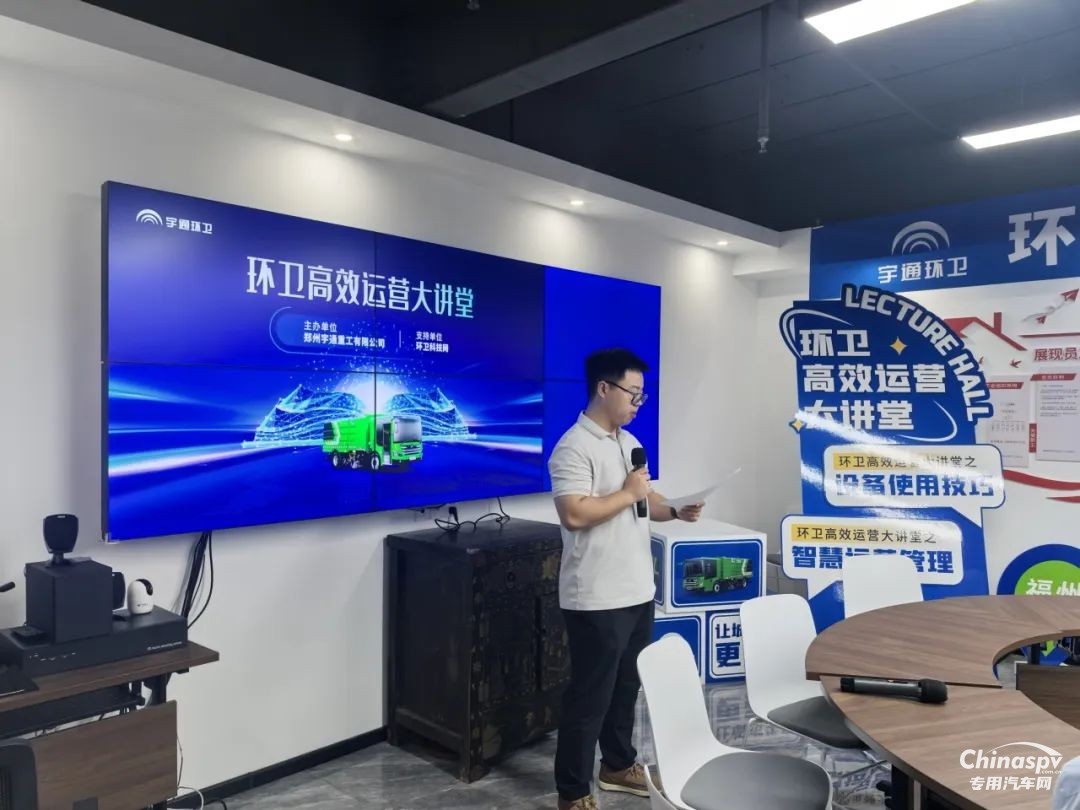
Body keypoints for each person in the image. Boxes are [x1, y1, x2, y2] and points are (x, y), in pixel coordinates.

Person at [548, 347, 703, 810]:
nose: (639, 402)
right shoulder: (573, 446)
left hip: (637, 589)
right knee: (589, 697)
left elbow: (644, 499)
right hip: (596, 595)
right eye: (633, 393)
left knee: (624, 689)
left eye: (642, 394)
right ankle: (573, 792)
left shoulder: (627, 440)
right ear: (604, 388)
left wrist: (675, 509)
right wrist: (628, 492)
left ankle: (617, 765)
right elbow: (575, 514)